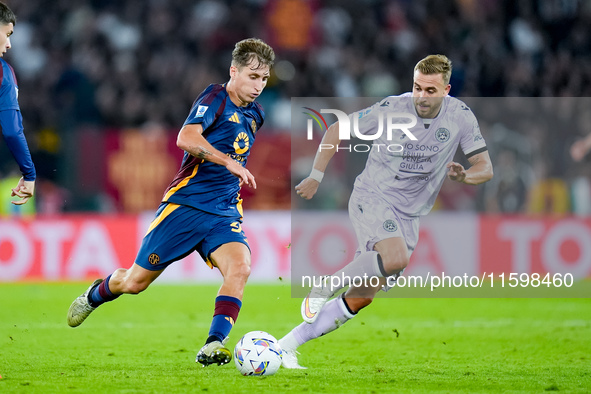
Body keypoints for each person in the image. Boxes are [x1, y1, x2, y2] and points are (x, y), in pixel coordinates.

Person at [67, 38, 275, 367]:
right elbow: (186, 138)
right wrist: (228, 162)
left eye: (264, 79)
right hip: (186, 207)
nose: (259, 85)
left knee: (241, 269)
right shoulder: (215, 98)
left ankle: (214, 343)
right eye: (252, 76)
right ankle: (96, 293)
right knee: (134, 283)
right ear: (234, 71)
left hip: (223, 212)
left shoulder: (256, 114)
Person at [280, 54, 493, 369]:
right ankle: (324, 285)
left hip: (409, 216)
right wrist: (316, 175)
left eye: (430, 91)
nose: (421, 96)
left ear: (446, 90)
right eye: (417, 87)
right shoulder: (393, 108)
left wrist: (464, 176)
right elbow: (337, 129)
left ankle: (287, 345)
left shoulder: (461, 117)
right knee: (395, 258)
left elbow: (485, 168)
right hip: (374, 195)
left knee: (362, 295)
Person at [0, 2, 35, 206]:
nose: (9, 44)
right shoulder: (4, 74)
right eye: (8, 33)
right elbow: (12, 131)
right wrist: (29, 173)